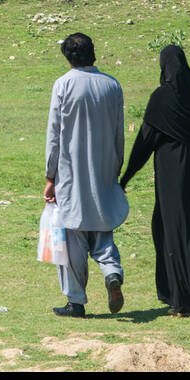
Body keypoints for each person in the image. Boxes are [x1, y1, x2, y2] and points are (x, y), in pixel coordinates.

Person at [120, 45, 190, 316]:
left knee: (171, 230)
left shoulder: (162, 97)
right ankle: (176, 288)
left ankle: (186, 297)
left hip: (172, 173)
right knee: (185, 228)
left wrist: (127, 175)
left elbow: (145, 140)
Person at [44, 32, 129, 318]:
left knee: (73, 238)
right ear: (93, 53)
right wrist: (115, 170)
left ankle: (76, 301)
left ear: (67, 57)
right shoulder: (112, 85)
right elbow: (119, 134)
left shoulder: (63, 85)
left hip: (71, 174)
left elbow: (54, 135)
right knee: (103, 231)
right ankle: (112, 271)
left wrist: (50, 176)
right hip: (105, 171)